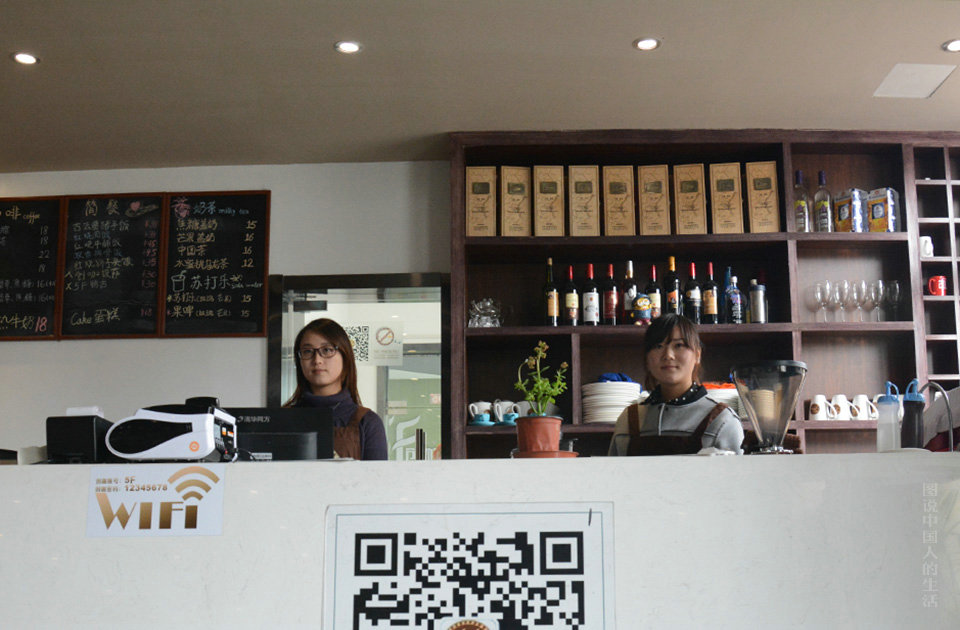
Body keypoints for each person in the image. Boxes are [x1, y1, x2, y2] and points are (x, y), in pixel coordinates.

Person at [608, 313, 744, 455]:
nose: (668, 355)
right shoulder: (629, 419)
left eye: (678, 345)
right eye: (658, 346)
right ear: (647, 359)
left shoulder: (722, 420)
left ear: (697, 355)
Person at [284, 318, 388, 460]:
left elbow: (377, 474)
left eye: (327, 350)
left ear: (345, 356)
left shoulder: (368, 422)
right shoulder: (282, 418)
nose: (317, 360)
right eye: (307, 351)